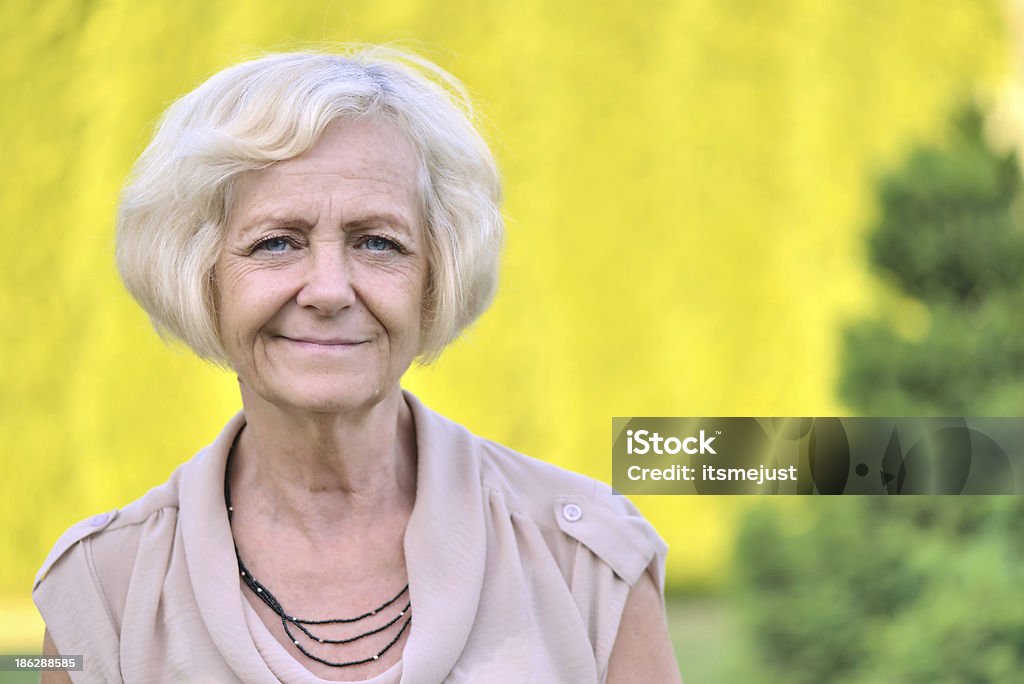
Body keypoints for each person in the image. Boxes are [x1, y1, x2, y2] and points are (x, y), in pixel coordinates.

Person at [33, 47, 680, 683]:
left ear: (435, 276)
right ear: (201, 279)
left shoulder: (587, 558)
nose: (329, 289)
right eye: (277, 242)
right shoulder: (99, 594)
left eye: (377, 242)